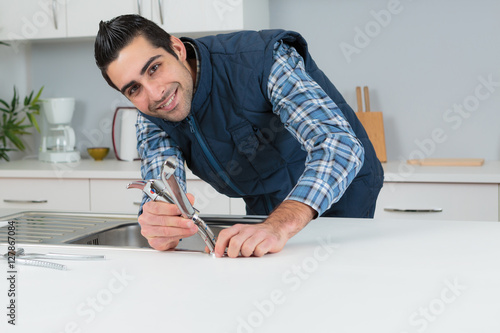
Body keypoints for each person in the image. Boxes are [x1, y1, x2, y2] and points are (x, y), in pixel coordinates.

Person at [94, 14, 384, 258]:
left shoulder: (261, 59)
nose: (154, 93)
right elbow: (162, 189)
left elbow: (339, 147)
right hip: (264, 205)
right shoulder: (153, 113)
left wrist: (279, 225)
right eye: (134, 89)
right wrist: (159, 221)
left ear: (177, 49)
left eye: (155, 68)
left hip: (342, 195)